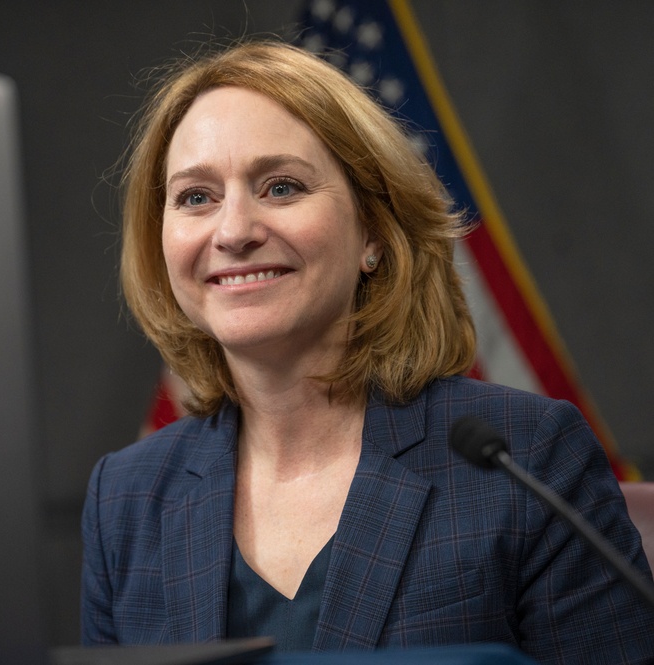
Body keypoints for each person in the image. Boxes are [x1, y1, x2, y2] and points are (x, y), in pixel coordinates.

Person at [80, 39, 654, 661]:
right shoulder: (125, 498)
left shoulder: (529, 456)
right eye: (196, 197)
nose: (235, 231)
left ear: (373, 235)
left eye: (281, 187)